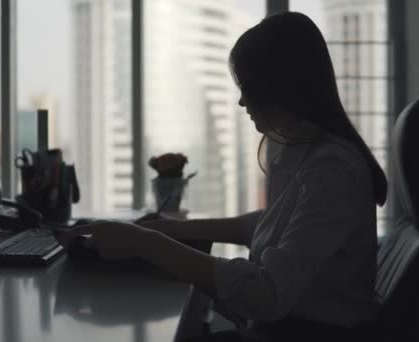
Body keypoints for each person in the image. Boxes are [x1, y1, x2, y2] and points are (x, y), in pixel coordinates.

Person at [56, 11, 387, 342]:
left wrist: (148, 244)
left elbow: (267, 295)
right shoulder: (302, 151)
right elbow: (266, 225)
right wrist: (169, 229)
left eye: (248, 87)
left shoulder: (333, 169)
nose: (242, 101)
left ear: (281, 84)